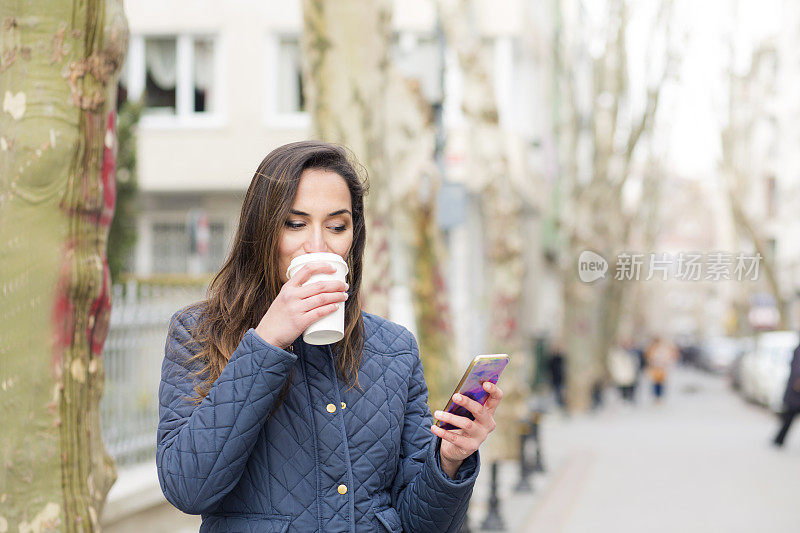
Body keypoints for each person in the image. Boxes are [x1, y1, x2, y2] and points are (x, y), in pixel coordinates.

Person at [156, 141, 503, 532]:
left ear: (354, 237)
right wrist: (266, 342)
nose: (318, 246)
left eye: (337, 226)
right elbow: (187, 488)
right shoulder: (200, 332)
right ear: (263, 232)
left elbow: (420, 524)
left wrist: (450, 461)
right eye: (295, 223)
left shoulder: (394, 350)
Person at [773, 339, 800, 447]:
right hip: (796, 392)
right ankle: (778, 440)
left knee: (788, 418)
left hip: (795, 393)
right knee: (788, 417)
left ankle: (778, 440)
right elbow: (797, 368)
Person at [644, 336, 678, 401]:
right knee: (655, 383)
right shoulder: (651, 349)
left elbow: (669, 357)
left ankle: (659, 397)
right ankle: (656, 397)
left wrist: (665, 363)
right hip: (655, 368)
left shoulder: (662, 349)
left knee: (661, 383)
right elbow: (648, 358)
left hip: (662, 368)